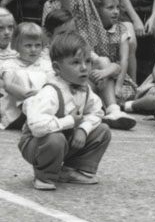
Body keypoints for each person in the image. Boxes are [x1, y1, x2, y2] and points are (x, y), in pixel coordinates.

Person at [19, 31, 111, 191]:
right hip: (38, 143)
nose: (84, 68)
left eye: (87, 61)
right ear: (57, 67)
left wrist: (83, 129)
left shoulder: (86, 89)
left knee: (103, 130)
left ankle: (72, 170)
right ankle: (44, 175)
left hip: (67, 140)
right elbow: (37, 126)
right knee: (55, 139)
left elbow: (96, 112)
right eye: (75, 62)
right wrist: (69, 122)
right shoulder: (51, 92)